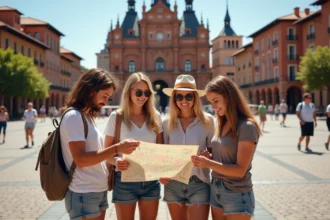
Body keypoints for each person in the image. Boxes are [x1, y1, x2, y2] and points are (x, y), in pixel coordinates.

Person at [60, 68, 139, 220]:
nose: (105, 101)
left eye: (109, 97)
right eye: (104, 96)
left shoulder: (87, 117)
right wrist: (117, 148)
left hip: (96, 190)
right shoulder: (74, 117)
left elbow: (97, 154)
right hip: (83, 191)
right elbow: (81, 160)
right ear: (91, 91)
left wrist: (115, 159)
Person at [191, 76, 262, 220]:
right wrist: (210, 157)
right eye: (211, 102)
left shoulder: (246, 127)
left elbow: (239, 170)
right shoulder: (221, 124)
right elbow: (225, 157)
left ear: (229, 97)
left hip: (236, 193)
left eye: (216, 101)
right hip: (216, 189)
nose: (213, 107)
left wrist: (209, 164)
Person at [104, 72, 163, 220]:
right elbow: (106, 152)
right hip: (124, 181)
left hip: (150, 181)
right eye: (138, 92)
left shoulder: (155, 117)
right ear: (129, 92)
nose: (143, 96)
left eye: (147, 92)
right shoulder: (116, 117)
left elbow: (161, 150)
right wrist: (116, 161)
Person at [160, 74, 214, 220]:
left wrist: (208, 157)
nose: (184, 101)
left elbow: (213, 152)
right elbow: (162, 155)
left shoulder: (208, 121)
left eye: (189, 96)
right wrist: (161, 174)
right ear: (174, 98)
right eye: (179, 97)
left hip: (199, 182)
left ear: (195, 98)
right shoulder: (166, 123)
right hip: (172, 183)